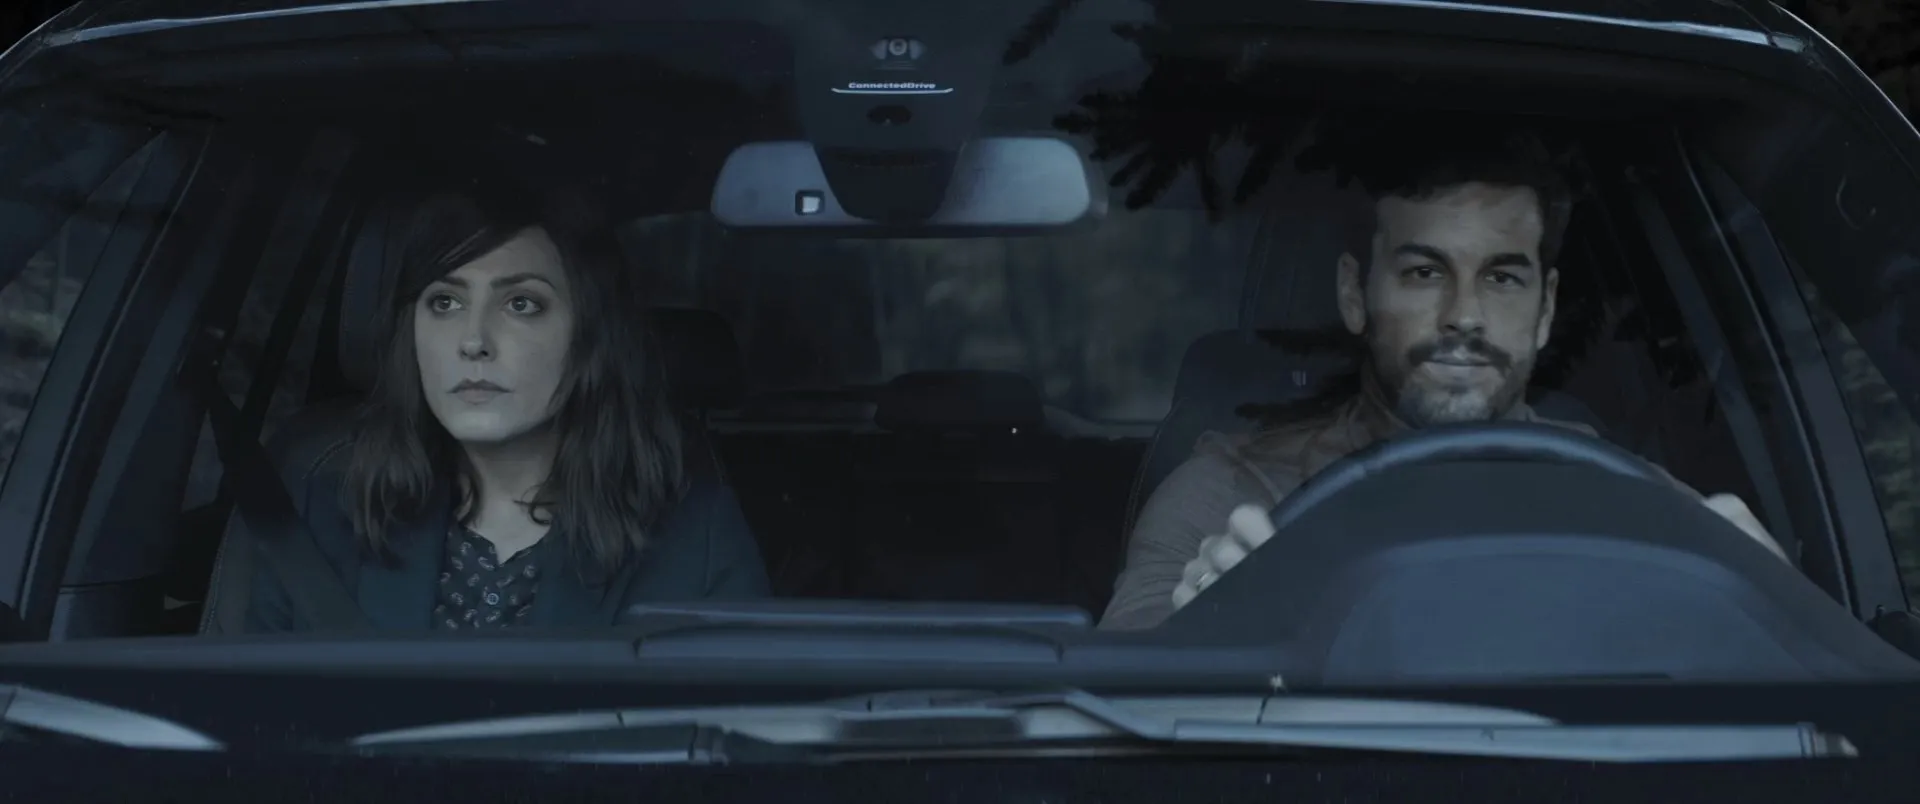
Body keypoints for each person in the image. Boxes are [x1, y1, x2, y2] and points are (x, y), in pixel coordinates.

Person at [1099, 131, 1786, 631]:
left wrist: (1771, 601)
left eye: (1502, 278)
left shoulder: (1639, 505)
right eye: (1425, 272)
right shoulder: (1229, 496)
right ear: (1355, 296)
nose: (1465, 315)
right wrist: (1203, 628)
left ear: (1546, 310)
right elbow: (1122, 687)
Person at [247, 187, 770, 632]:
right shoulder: (327, 517)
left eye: (521, 304)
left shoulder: (694, 537)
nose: (473, 341)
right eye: (445, 303)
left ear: (590, 338)